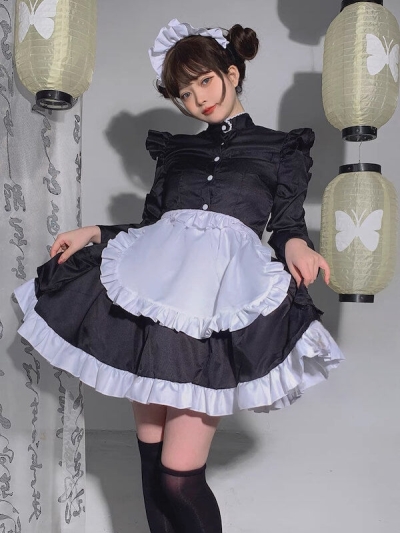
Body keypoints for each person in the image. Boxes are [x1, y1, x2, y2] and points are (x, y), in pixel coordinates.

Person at [15, 19, 344, 533]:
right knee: (151, 465)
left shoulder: (281, 148)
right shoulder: (176, 152)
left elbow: (286, 224)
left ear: (232, 73)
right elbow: (153, 228)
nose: (198, 100)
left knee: (178, 477)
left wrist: (297, 246)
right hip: (152, 308)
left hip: (210, 313)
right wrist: (93, 232)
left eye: (205, 82)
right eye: (185, 95)